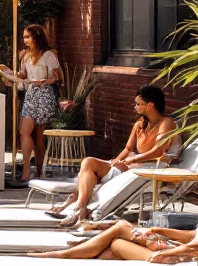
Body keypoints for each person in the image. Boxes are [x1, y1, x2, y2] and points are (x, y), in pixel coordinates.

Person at [30, 155, 198, 260]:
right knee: (114, 245)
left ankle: (62, 256)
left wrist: (175, 250)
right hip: (180, 250)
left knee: (120, 231)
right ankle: (66, 254)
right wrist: (158, 231)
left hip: (182, 258)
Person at [51, 86, 179, 227]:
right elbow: (128, 148)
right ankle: (81, 206)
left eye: (138, 104)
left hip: (147, 167)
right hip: (131, 164)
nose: (135, 107)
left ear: (150, 105)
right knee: (88, 163)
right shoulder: (140, 125)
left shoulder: (166, 123)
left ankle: (76, 206)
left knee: (87, 173)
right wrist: (116, 160)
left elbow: (158, 151)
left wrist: (132, 160)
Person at [0, 24, 63, 181]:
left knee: (39, 139)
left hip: (45, 95)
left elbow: (57, 77)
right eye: (24, 37)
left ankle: (40, 171)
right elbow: (23, 74)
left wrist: (44, 81)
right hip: (30, 94)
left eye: (27, 36)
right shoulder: (25, 55)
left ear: (36, 37)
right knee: (24, 131)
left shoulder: (49, 55)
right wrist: (10, 75)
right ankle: (26, 169)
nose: (25, 40)